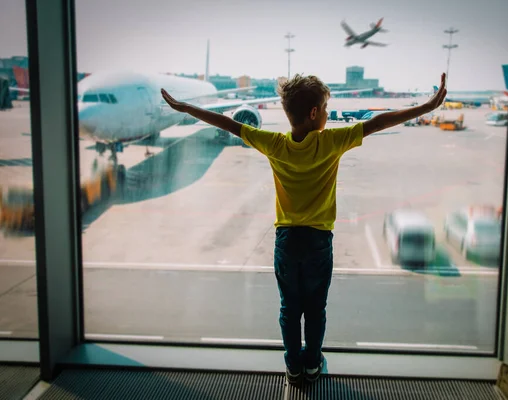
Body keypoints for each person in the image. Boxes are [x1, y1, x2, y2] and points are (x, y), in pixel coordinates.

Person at [161, 73, 447, 385]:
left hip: (286, 241)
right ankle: (312, 363)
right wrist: (427, 106)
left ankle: (292, 366)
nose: (327, 114)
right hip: (318, 242)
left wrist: (187, 108)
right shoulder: (332, 142)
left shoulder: (274, 144)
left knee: (289, 309)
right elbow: (380, 122)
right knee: (315, 310)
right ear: (313, 113)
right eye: (325, 108)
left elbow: (227, 123)